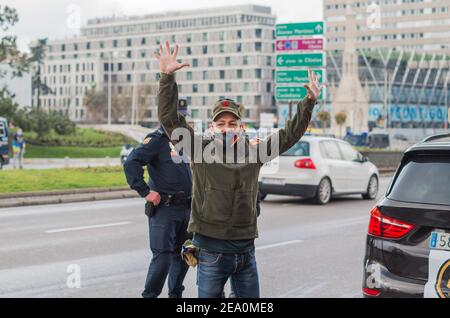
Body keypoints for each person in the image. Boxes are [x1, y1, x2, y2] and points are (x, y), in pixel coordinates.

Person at [154, 42, 323, 298]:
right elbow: (170, 120)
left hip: (245, 252)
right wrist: (167, 78)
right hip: (210, 252)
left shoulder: (255, 151)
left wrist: (308, 103)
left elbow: (289, 135)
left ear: (241, 127)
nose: (227, 127)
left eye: (232, 122)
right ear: (212, 127)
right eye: (220, 123)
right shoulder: (198, 149)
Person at [123, 104, 193, 298]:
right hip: (165, 209)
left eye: (181, 117)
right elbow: (131, 163)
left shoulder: (185, 140)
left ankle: (176, 294)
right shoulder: (156, 140)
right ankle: (150, 295)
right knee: (163, 258)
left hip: (186, 208)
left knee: (185, 255)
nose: (178, 121)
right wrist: (145, 191)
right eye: (174, 117)